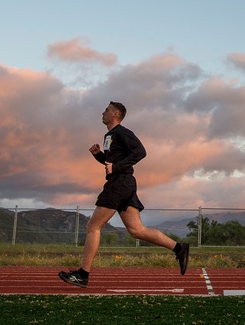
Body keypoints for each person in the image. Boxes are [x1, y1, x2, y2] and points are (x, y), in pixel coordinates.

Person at [59, 100, 190, 288]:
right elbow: (110, 163)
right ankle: (179, 248)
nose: (102, 112)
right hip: (123, 183)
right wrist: (98, 155)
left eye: (106, 110)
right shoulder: (109, 135)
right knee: (137, 230)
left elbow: (141, 152)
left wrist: (118, 166)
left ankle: (82, 274)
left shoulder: (122, 132)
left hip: (119, 184)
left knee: (93, 226)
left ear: (115, 115)